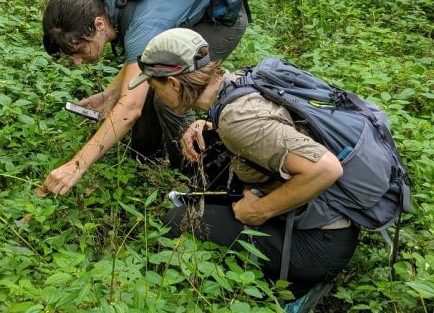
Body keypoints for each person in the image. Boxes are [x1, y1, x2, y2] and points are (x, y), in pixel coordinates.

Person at [128, 28, 359, 295]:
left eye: (156, 87)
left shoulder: (238, 121)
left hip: (320, 243)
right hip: (328, 216)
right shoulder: (236, 82)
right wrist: (207, 124)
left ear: (175, 84)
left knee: (177, 220)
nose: (157, 96)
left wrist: (261, 210)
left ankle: (295, 287)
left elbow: (326, 168)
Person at [40, 0, 248, 196]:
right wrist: (111, 94)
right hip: (175, 20)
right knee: (149, 83)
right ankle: (146, 161)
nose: (78, 61)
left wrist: (76, 165)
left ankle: (202, 175)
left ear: (98, 24)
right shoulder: (102, 3)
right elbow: (139, 56)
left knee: (169, 96)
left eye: (79, 50)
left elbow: (130, 108)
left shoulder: (142, 24)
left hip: (218, 21)